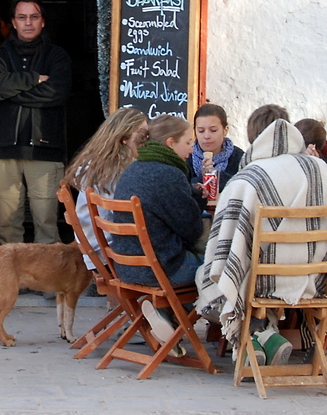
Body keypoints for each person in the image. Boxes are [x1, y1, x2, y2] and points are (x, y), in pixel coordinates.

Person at [196, 104, 327, 366]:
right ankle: (269, 336)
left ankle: (254, 337)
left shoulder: (247, 179)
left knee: (208, 275)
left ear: (253, 139)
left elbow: (224, 245)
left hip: (259, 283)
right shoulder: (321, 171)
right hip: (313, 279)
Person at [110, 115, 204, 356]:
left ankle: (164, 317)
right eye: (188, 142)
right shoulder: (169, 175)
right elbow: (192, 231)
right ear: (171, 143)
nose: (192, 149)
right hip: (161, 270)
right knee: (217, 267)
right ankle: (245, 336)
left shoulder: (133, 169)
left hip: (126, 268)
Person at [0, 0, 72, 246]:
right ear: (13, 22)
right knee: (6, 222)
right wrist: (34, 79)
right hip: (6, 148)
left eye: (34, 17)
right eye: (22, 17)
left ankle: (47, 280)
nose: (28, 23)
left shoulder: (58, 57)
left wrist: (13, 92)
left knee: (46, 222)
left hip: (46, 146)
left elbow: (56, 93)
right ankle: (11, 281)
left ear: (43, 21)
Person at [65, 107, 148, 268]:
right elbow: (126, 214)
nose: (146, 139)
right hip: (107, 252)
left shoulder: (96, 161)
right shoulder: (118, 168)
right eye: (141, 133)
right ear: (124, 137)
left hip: (92, 249)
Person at [186, 103, 245, 190]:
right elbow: (182, 189)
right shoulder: (186, 156)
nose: (206, 136)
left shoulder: (239, 157)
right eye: (201, 131)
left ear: (225, 130)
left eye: (213, 130)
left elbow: (243, 187)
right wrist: (202, 178)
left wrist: (215, 175)